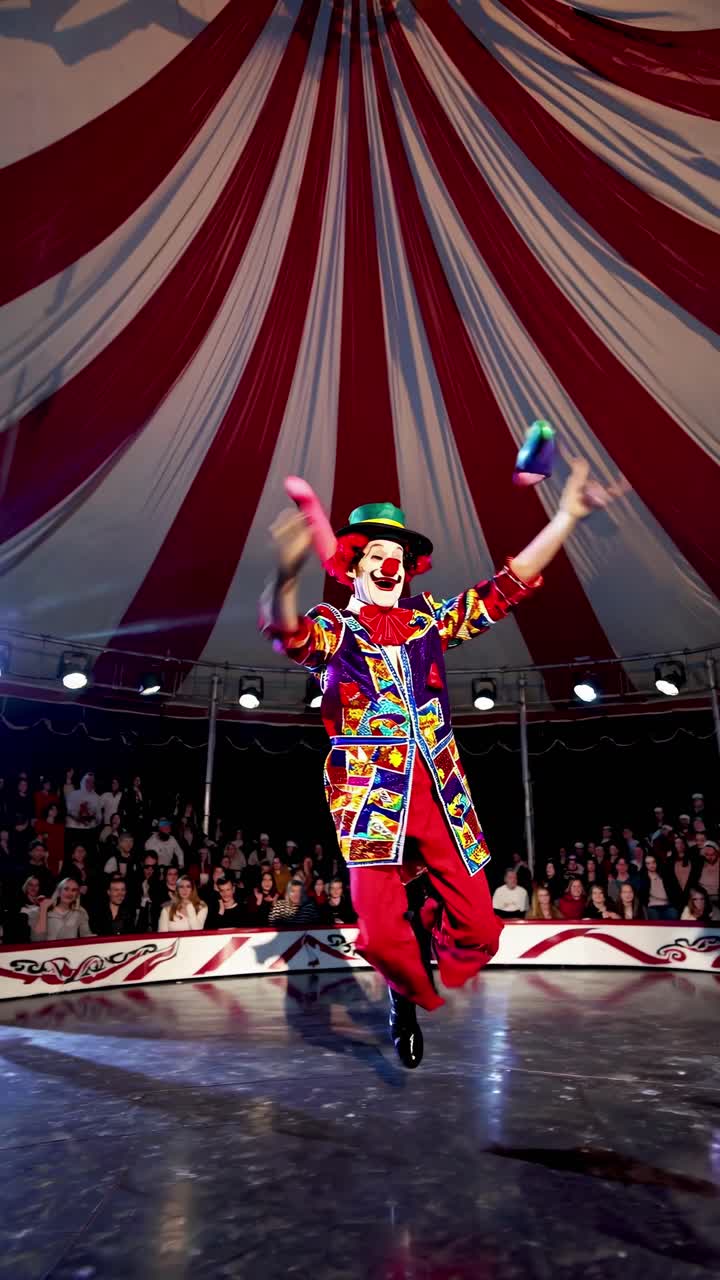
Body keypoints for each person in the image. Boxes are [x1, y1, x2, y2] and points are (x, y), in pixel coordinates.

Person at [261, 462, 621, 1065]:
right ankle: (408, 994)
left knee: (481, 933)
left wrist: (566, 515)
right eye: (376, 551)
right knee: (380, 936)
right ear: (353, 564)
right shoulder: (335, 628)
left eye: (397, 552)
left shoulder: (428, 619)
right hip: (371, 798)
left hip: (441, 794)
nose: (388, 562)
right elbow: (285, 625)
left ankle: (426, 940)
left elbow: (507, 586)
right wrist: (287, 569)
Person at [28, 877, 94, 941]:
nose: (70, 893)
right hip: (48, 950)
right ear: (59, 892)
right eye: (66, 889)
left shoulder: (81, 911)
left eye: (74, 890)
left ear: (77, 894)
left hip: (70, 951)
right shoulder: (40, 910)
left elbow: (86, 935)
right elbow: (37, 939)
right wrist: (43, 909)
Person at [64, 772, 103, 852]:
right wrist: (79, 818)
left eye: (92, 781)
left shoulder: (96, 797)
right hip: (75, 830)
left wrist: (95, 818)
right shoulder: (74, 794)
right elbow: (69, 811)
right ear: (83, 781)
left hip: (90, 831)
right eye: (88, 781)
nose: (90, 783)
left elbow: (99, 816)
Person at [637, 852, 680, 920]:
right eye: (648, 863)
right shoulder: (642, 876)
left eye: (653, 862)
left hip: (668, 905)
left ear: (657, 862)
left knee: (673, 915)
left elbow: (676, 891)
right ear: (645, 865)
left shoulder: (666, 874)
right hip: (652, 906)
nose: (651, 865)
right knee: (654, 919)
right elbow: (641, 896)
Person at [132, 851, 163, 932]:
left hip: (155, 926)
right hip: (137, 926)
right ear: (142, 865)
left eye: (153, 867)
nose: (150, 870)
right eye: (147, 866)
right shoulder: (133, 881)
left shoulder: (158, 882)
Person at [34, 801, 65, 876]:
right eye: (52, 809)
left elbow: (61, 843)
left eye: (56, 810)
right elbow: (38, 840)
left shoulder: (60, 826)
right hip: (44, 854)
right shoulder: (39, 823)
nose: (54, 811)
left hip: (58, 855)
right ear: (47, 810)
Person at [690, 840, 719, 913]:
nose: (709, 857)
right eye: (707, 854)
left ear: (717, 853)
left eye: (712, 854)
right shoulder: (699, 863)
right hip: (704, 898)